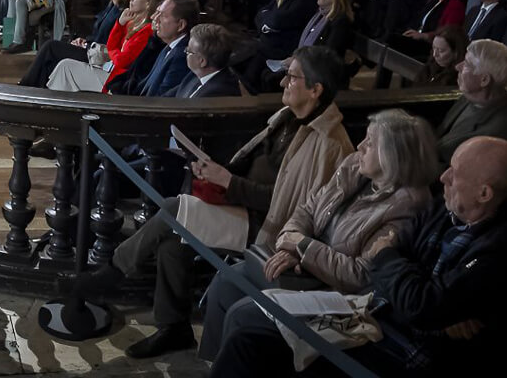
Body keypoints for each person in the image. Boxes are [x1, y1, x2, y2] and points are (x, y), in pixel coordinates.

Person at [79, 46, 354, 358]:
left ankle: (111, 274)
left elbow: (301, 210)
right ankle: (173, 328)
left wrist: (228, 182)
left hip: (270, 230)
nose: (282, 82)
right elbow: (253, 168)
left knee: (172, 209)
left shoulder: (330, 143)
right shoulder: (288, 117)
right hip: (244, 210)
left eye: (291, 77)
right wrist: (214, 171)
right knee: (174, 239)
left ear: (316, 90)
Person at [208, 136, 507, 378]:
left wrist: (403, 275)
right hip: (373, 313)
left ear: (484, 193)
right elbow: (399, 280)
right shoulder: (445, 211)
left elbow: (416, 299)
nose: (443, 177)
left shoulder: (499, 249)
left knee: (250, 336)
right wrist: (427, 299)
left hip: (403, 347)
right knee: (247, 321)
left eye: (454, 174)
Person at [197, 110, 438, 358]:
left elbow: (361, 275)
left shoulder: (407, 205)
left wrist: (302, 247)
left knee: (244, 312)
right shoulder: (354, 165)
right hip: (305, 268)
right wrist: (291, 247)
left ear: (393, 154)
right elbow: (307, 209)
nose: (360, 145)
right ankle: (215, 364)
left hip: (339, 294)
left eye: (370, 142)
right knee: (228, 280)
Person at [45, 0, 164, 93]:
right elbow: (112, 45)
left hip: (118, 79)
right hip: (109, 68)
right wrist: (120, 25)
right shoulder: (131, 21)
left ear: (148, 3)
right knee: (65, 65)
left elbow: (121, 61)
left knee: (66, 68)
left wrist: (113, 51)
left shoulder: (147, 30)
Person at [23, 0, 133, 88]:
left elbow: (110, 42)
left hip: (100, 58)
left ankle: (26, 86)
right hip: (90, 49)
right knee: (52, 56)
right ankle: (37, 89)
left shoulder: (123, 13)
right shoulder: (110, 6)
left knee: (51, 47)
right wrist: (85, 41)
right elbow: (97, 34)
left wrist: (88, 45)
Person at [439, 39, 507, 164]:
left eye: (466, 64)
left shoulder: (497, 131)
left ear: (484, 80)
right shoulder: (470, 96)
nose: (457, 67)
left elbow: (466, 175)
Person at [242, 0, 317, 85]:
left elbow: (278, 21)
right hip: (267, 43)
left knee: (247, 72)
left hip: (281, 50)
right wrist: (267, 23)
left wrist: (268, 20)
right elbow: (260, 14)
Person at [122, 0, 200, 98]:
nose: (154, 18)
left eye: (162, 15)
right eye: (157, 13)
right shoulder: (169, 46)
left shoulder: (182, 56)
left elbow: (161, 100)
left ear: (181, 25)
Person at [181, 24, 246, 98]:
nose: (185, 52)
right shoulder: (194, 75)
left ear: (202, 61)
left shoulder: (217, 93)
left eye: (189, 51)